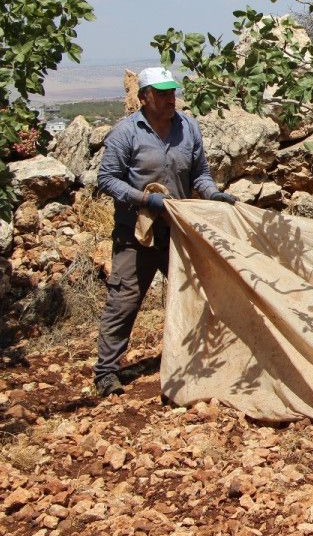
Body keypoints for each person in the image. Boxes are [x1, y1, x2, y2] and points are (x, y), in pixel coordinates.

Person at [93, 67, 236, 396]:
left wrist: (213, 194)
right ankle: (106, 373)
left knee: (200, 295)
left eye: (172, 91)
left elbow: (199, 174)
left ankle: (205, 359)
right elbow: (107, 179)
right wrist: (145, 199)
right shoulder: (126, 133)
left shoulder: (188, 127)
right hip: (136, 233)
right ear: (144, 97)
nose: (171, 98)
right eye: (162, 93)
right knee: (125, 300)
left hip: (177, 231)